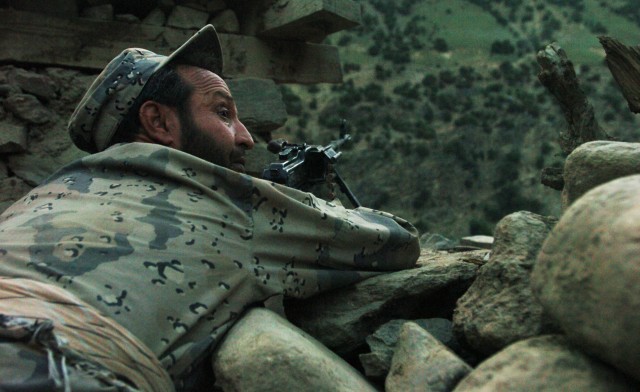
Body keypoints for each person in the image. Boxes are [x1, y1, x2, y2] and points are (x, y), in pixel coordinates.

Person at [0, 25, 420, 391]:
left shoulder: (38, 197)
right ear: (159, 123)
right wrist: (306, 201)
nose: (246, 138)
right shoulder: (222, 197)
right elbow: (394, 242)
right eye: (223, 113)